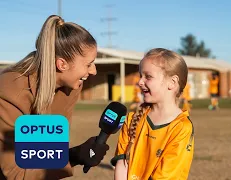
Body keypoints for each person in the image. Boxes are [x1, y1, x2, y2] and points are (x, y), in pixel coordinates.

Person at [0, 15, 109, 179]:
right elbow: (15, 173)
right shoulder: (10, 93)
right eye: (88, 64)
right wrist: (69, 160)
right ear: (62, 64)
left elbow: (42, 155)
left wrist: (77, 154)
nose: (93, 71)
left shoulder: (71, 87)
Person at [111, 48, 194, 180]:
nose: (140, 82)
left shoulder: (181, 127)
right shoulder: (132, 119)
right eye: (140, 76)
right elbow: (122, 162)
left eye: (148, 76)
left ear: (172, 83)